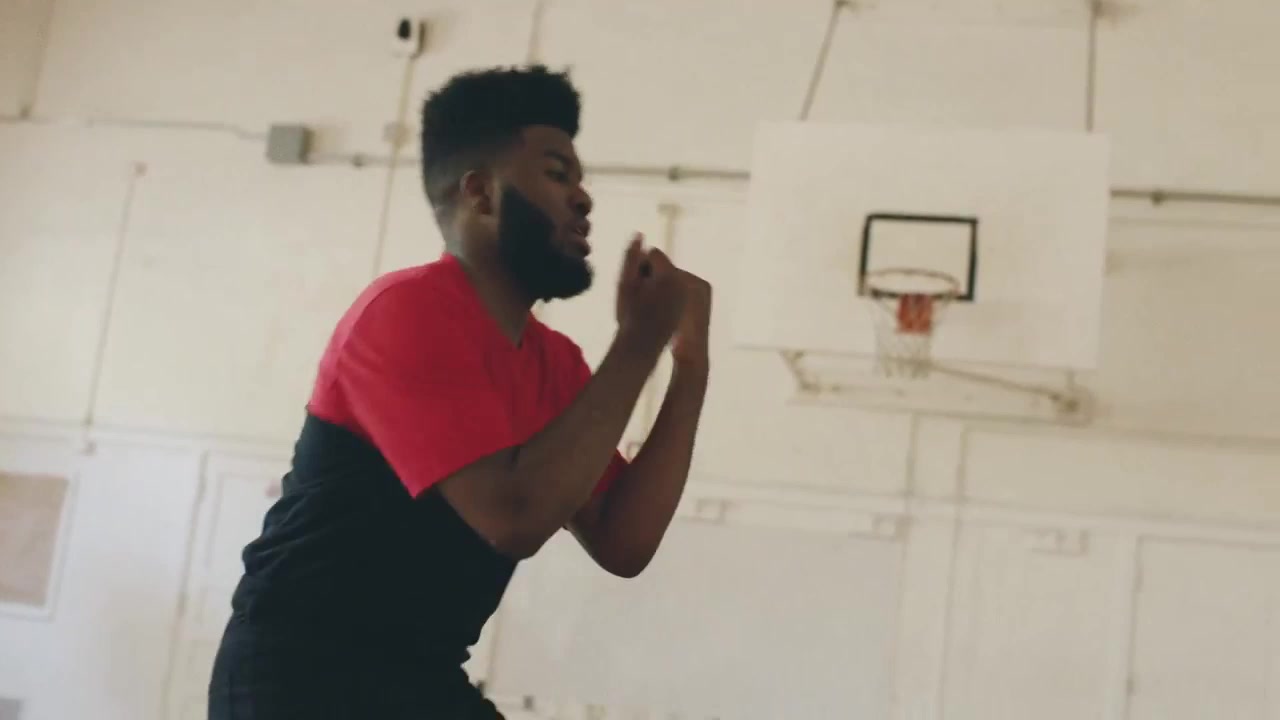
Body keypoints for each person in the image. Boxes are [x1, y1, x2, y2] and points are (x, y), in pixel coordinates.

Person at [207, 64, 710, 719]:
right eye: (558, 174)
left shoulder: (554, 363)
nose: (583, 198)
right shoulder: (405, 311)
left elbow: (623, 541)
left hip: (420, 674)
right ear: (480, 192)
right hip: (299, 679)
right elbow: (513, 517)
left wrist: (688, 361)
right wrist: (638, 342)